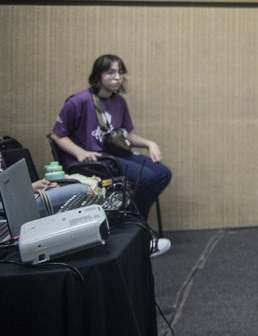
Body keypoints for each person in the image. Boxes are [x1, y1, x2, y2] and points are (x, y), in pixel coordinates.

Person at [51, 54, 172, 256]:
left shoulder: (119, 102)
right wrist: (80, 152)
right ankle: (139, 232)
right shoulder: (79, 101)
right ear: (98, 76)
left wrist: (150, 143)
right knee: (148, 178)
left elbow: (128, 135)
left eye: (121, 72)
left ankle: (133, 224)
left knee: (162, 173)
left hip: (115, 154)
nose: (117, 77)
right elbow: (57, 134)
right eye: (111, 72)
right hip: (95, 161)